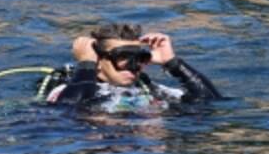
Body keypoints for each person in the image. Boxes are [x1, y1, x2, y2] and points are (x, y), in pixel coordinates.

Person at [44, 23, 223, 111]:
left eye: (139, 58)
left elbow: (210, 104)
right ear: (98, 59)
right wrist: (86, 65)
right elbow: (66, 111)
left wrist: (174, 64)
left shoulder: (148, 89)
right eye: (123, 57)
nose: (134, 66)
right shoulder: (67, 89)